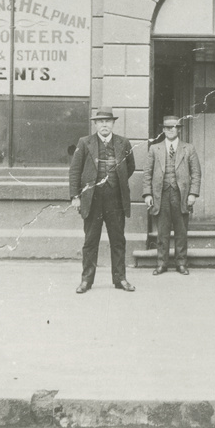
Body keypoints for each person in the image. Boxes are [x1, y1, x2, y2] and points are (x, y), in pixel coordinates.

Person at [69, 107, 136, 293]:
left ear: (113, 123)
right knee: (90, 241)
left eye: (108, 121)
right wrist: (76, 196)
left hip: (115, 201)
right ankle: (86, 281)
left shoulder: (123, 143)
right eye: (101, 121)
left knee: (118, 240)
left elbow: (130, 167)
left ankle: (120, 279)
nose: (104, 124)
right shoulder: (84, 143)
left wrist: (116, 182)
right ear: (96, 124)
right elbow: (75, 171)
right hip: (92, 200)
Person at [142, 116, 202, 275]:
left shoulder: (188, 148)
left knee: (181, 231)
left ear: (179, 129)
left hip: (181, 195)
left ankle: (181, 263)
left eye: (173, 127)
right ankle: (162, 263)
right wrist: (147, 194)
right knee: (162, 231)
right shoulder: (155, 148)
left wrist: (193, 194)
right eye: (167, 127)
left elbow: (196, 173)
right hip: (160, 195)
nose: (170, 130)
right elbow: (147, 174)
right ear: (163, 130)